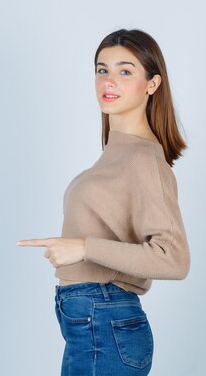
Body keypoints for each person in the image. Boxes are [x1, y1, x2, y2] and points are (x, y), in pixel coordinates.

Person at [17, 28, 190, 376]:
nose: (109, 81)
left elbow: (174, 259)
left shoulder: (143, 159)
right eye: (102, 70)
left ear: (152, 84)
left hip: (105, 320)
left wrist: (84, 247)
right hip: (91, 324)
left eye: (125, 71)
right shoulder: (115, 155)